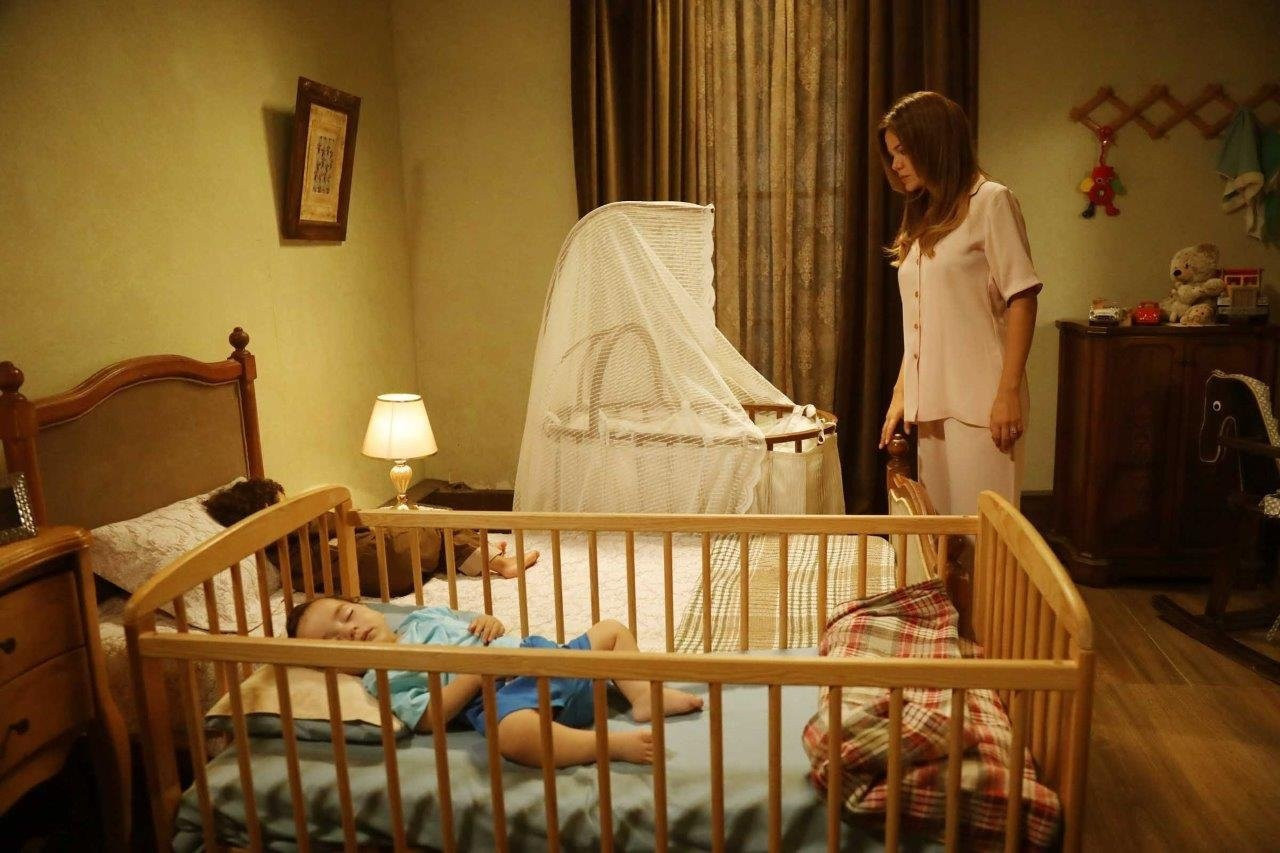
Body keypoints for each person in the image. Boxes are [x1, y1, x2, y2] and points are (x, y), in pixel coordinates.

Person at [875, 91, 1042, 519]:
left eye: (903, 151)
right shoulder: (927, 215)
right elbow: (921, 320)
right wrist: (902, 392)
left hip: (981, 403)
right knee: (942, 538)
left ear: (933, 142)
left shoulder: (991, 201)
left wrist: (1008, 393)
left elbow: (1022, 297)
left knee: (982, 533)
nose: (896, 164)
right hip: (931, 403)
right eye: (892, 154)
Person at [287, 596, 704, 767]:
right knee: (513, 735)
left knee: (611, 630)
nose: (349, 631)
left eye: (347, 615)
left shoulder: (423, 616)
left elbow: (473, 622)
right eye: (333, 641)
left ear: (365, 607)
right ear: (336, 668)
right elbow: (429, 718)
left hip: (539, 654)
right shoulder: (384, 676)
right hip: (504, 694)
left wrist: (488, 621)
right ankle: (606, 746)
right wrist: (477, 670)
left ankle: (642, 695)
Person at [202, 479, 539, 597]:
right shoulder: (294, 526)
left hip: (377, 578)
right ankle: (497, 562)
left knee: (429, 533)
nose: (293, 505)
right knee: (431, 520)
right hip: (384, 564)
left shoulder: (278, 552)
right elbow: (347, 522)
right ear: (267, 509)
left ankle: (480, 551)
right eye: (284, 501)